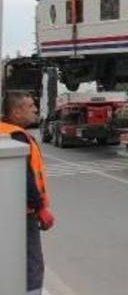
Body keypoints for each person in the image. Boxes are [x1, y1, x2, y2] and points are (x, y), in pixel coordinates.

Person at [1, 93, 54, 295]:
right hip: (24, 212)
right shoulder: (17, 137)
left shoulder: (4, 132)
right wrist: (40, 208)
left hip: (8, 209)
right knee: (33, 265)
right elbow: (25, 175)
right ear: (16, 112)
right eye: (30, 106)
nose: (35, 109)